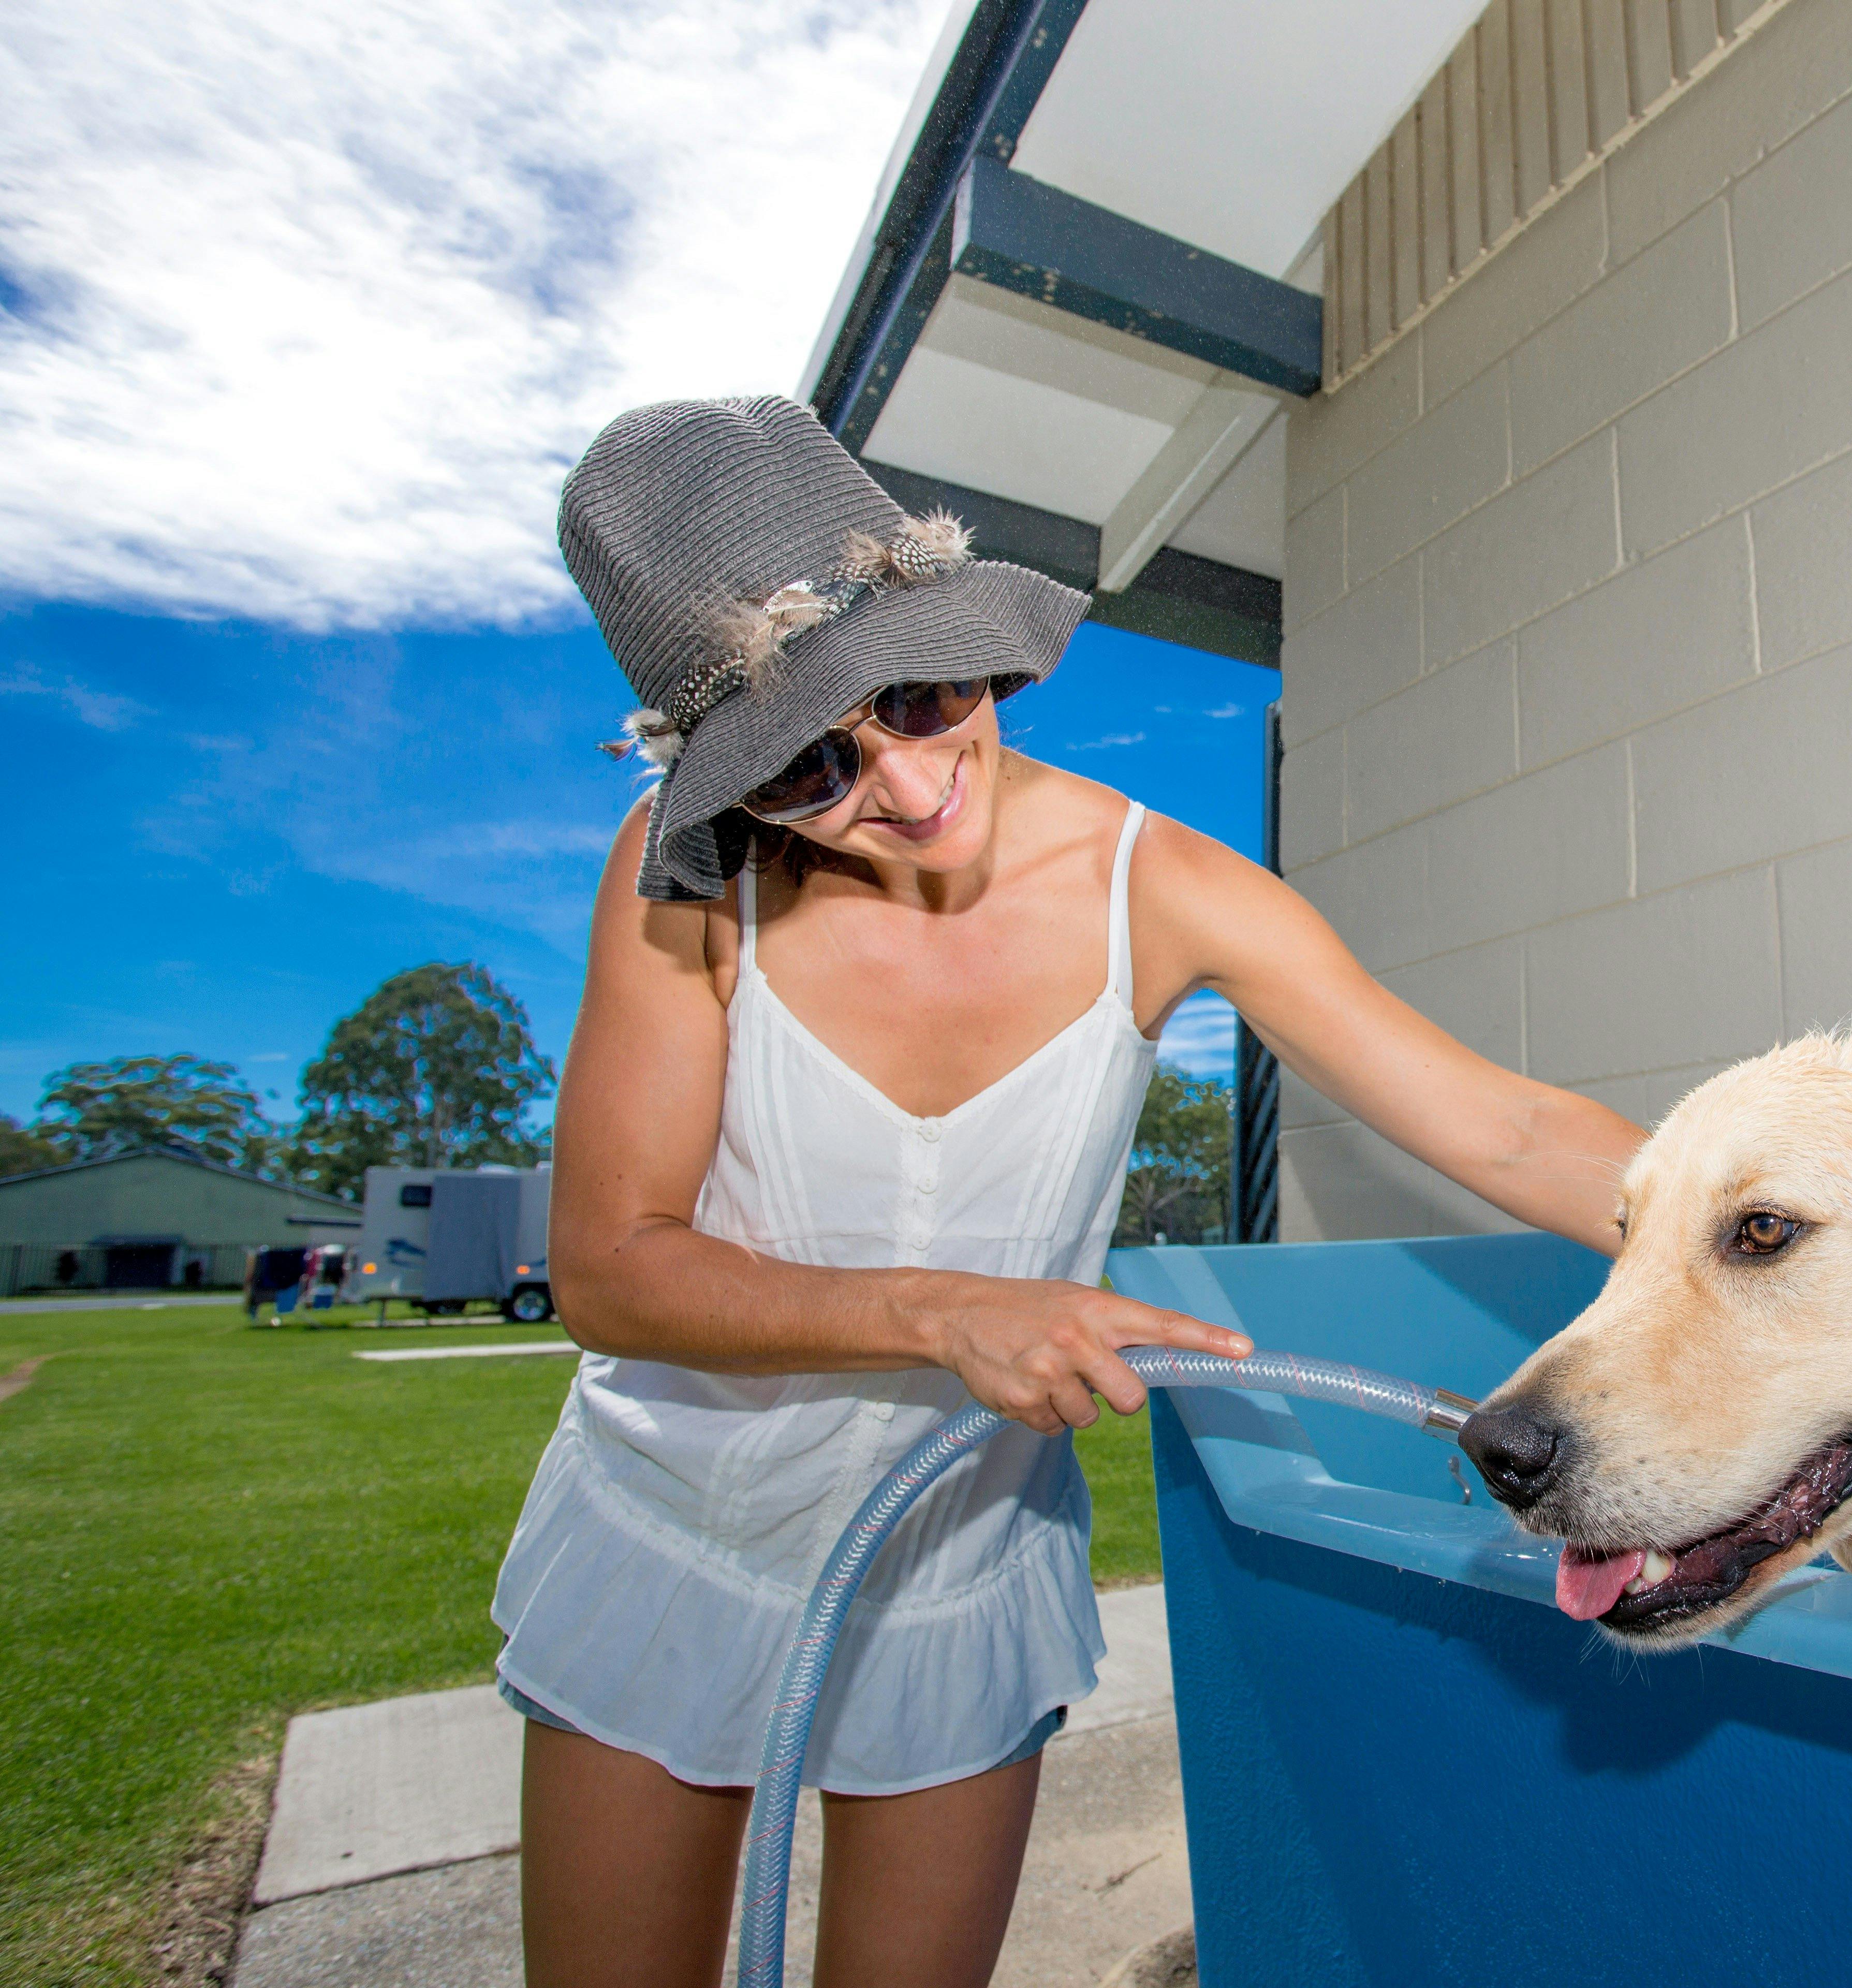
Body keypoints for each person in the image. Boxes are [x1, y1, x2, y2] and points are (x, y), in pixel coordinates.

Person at [497, 397, 1643, 1988]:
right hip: (676, 1535)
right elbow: (612, 1270)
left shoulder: (1159, 886)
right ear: (727, 787)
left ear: (965, 636)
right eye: (810, 762)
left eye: (919, 691)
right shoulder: (683, 889)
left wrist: (1811, 1237)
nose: (904, 785)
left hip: (955, 1571)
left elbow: (1511, 1135)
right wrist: (940, 1309)